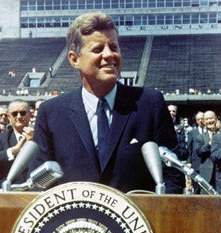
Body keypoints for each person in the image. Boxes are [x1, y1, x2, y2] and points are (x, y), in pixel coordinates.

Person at [29, 12, 179, 194]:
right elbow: (39, 184)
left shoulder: (149, 104)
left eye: (114, 47)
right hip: (75, 220)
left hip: (137, 220)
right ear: (74, 59)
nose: (109, 55)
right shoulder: (51, 113)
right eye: (98, 49)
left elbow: (172, 174)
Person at [0, 99, 34, 190]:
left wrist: (33, 142)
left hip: (34, 188)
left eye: (23, 113)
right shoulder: (2, 138)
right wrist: (14, 150)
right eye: (14, 114)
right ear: (9, 117)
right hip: (9, 189)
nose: (19, 116)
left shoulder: (40, 136)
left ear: (30, 115)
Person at [196, 110, 219, 194]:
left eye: (211, 118)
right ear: (204, 122)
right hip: (206, 174)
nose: (209, 121)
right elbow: (199, 152)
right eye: (207, 119)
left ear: (216, 119)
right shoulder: (200, 137)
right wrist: (209, 144)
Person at [186, 111, 205, 193]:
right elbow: (189, 148)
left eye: (202, 119)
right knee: (196, 187)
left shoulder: (209, 131)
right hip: (196, 163)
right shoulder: (192, 132)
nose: (200, 120)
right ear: (196, 121)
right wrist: (189, 161)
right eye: (198, 119)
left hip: (207, 164)